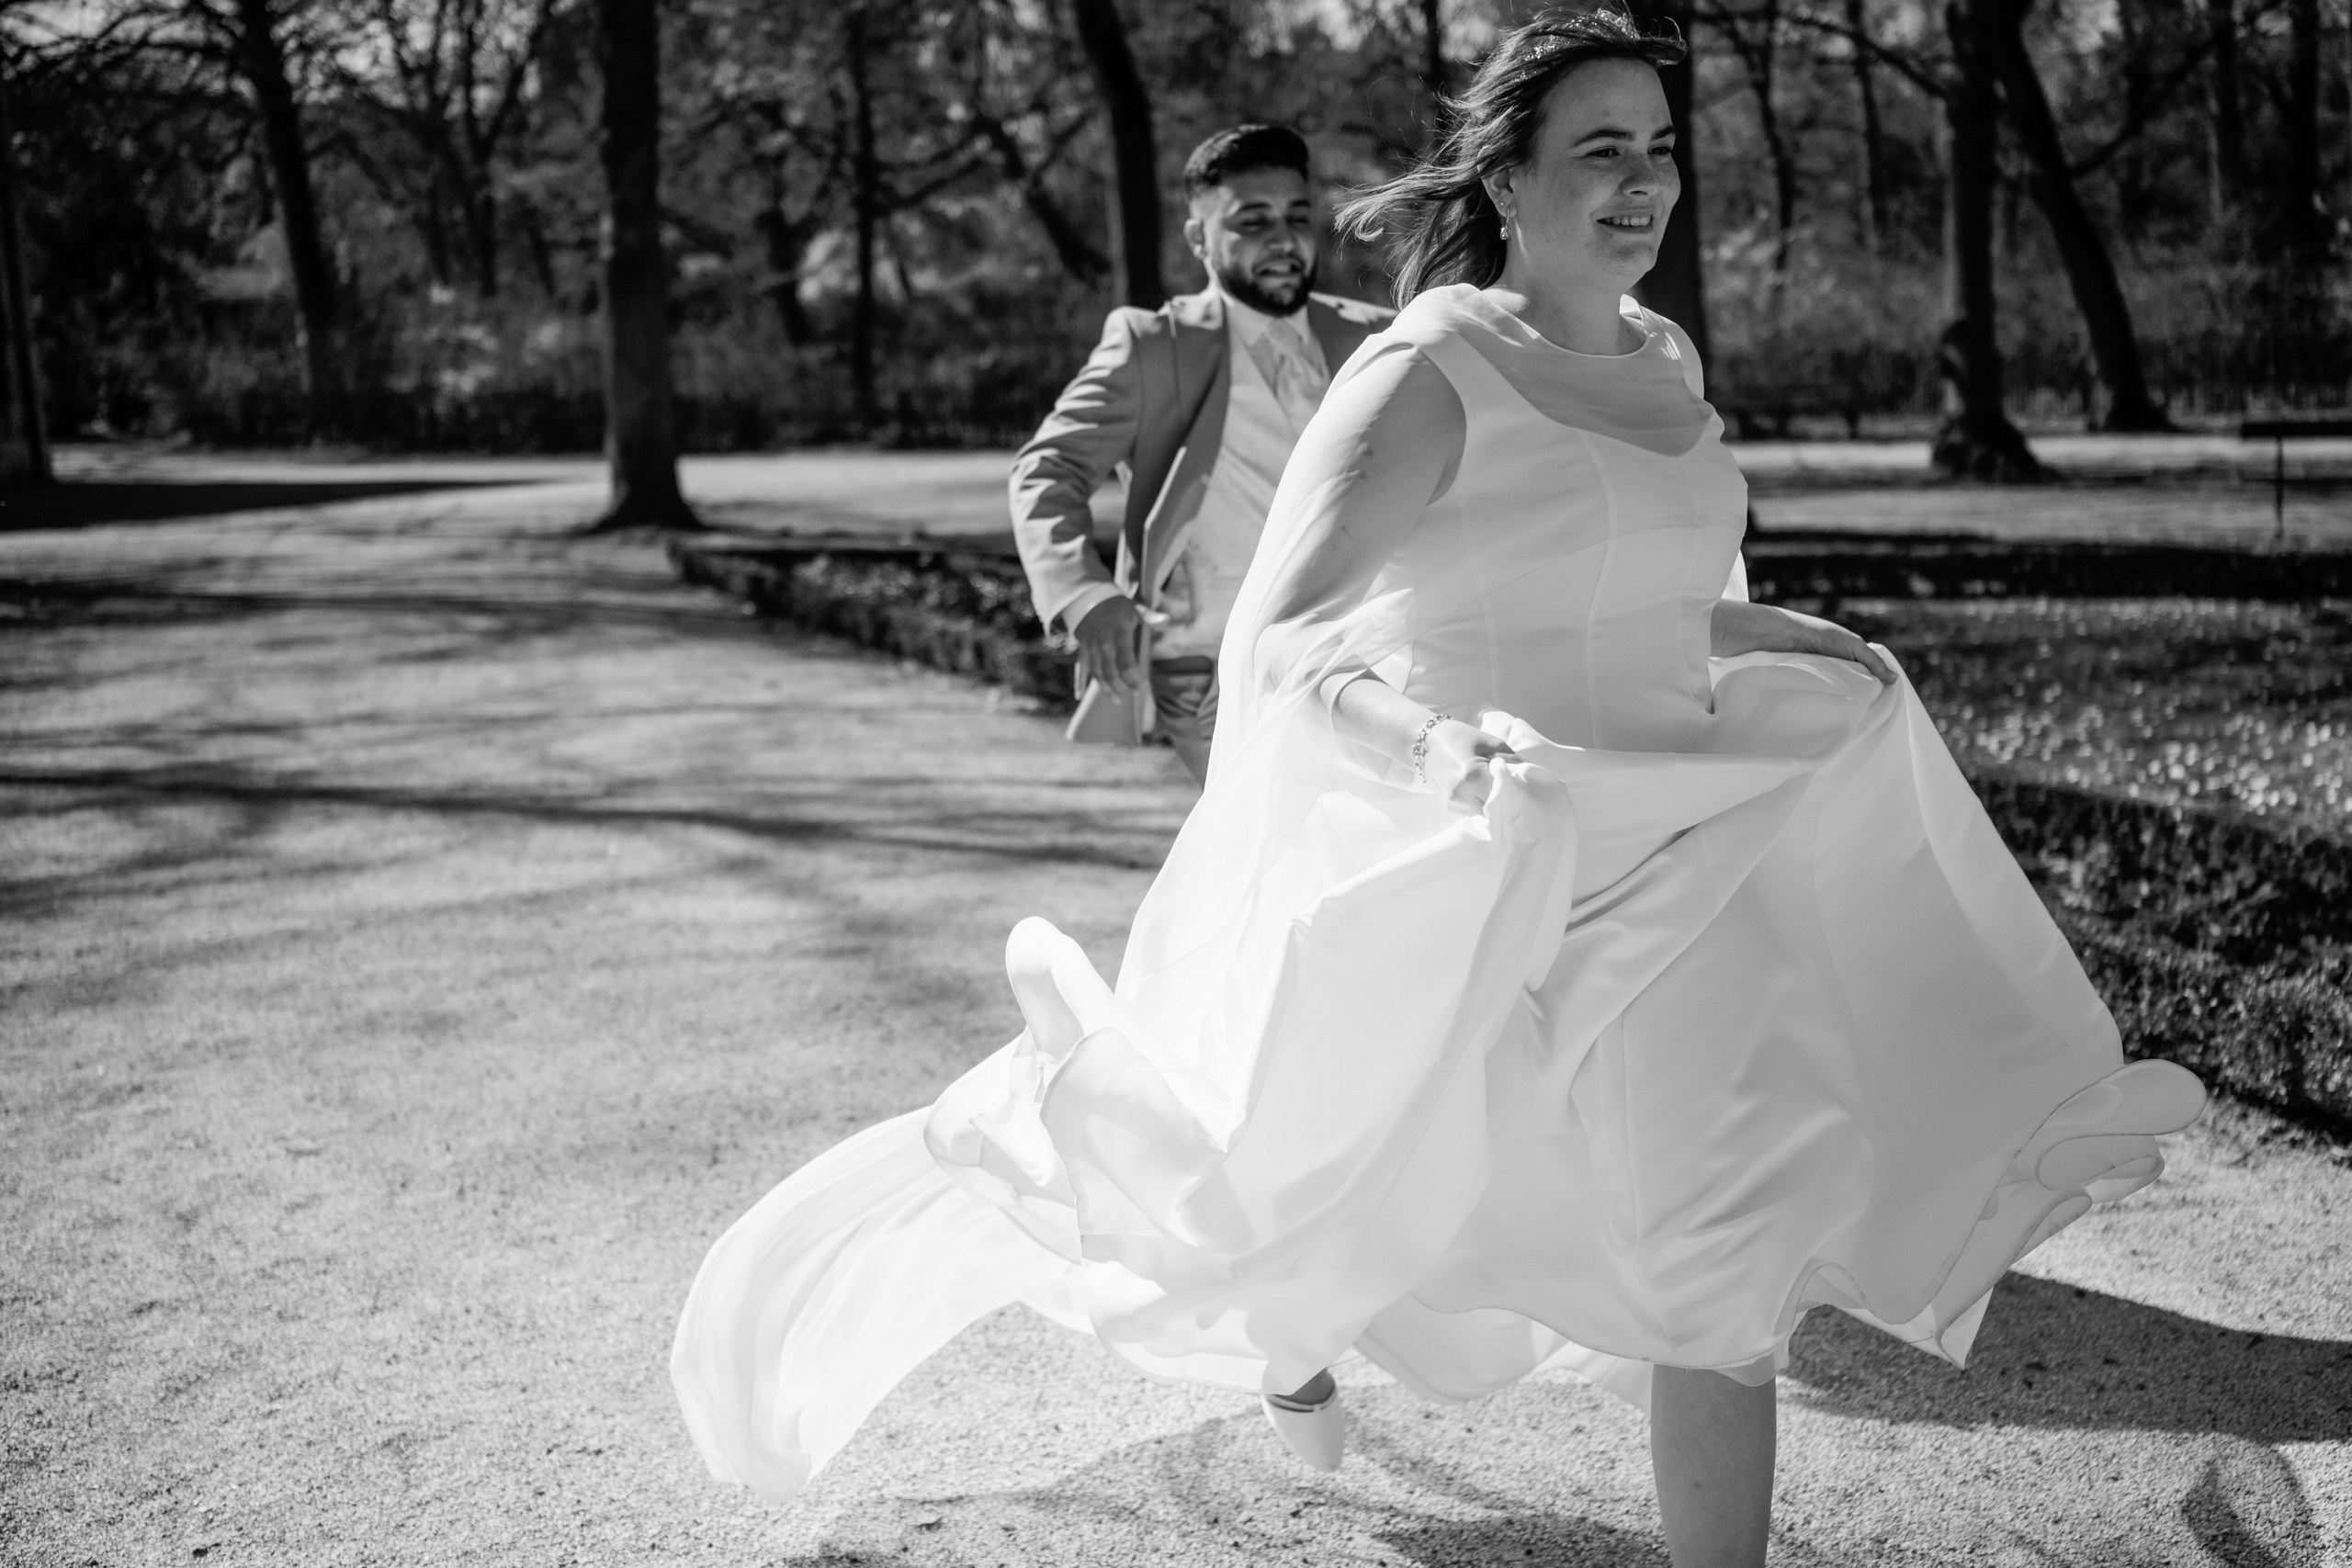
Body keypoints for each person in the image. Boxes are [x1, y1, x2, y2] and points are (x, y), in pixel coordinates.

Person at [671, 11, 2205, 1564]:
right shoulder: (1431, 366)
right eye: (1600, 150)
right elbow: (1284, 644)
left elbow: (1638, 583)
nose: (1644, 183)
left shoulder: (1664, 356)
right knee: (1336, 1176)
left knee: (1725, 1257)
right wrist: (1433, 745)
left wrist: (1781, 629)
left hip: (1681, 857)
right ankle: (1292, 1321)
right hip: (1496, 854)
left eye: (1661, 148)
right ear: (1509, 176)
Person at [1008, 124, 1392, 782]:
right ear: (1198, 240)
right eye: (1252, 221)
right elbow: (1047, 469)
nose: (1283, 239)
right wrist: (1085, 595)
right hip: (1209, 665)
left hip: (1358, 660)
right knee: (1278, 850)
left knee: (1353, 858)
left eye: (1298, 217)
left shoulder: (1376, 338)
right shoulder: (1153, 347)